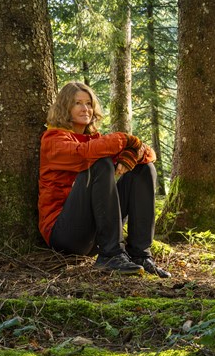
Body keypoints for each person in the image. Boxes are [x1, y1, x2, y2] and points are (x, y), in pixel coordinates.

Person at [38, 81, 171, 278]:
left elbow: (150, 154)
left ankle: (139, 254)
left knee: (144, 169)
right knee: (100, 163)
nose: (86, 109)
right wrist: (125, 140)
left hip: (95, 234)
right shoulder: (53, 140)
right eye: (78, 103)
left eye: (89, 104)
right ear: (65, 107)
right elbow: (84, 154)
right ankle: (110, 255)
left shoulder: (95, 140)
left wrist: (132, 154)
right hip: (64, 233)